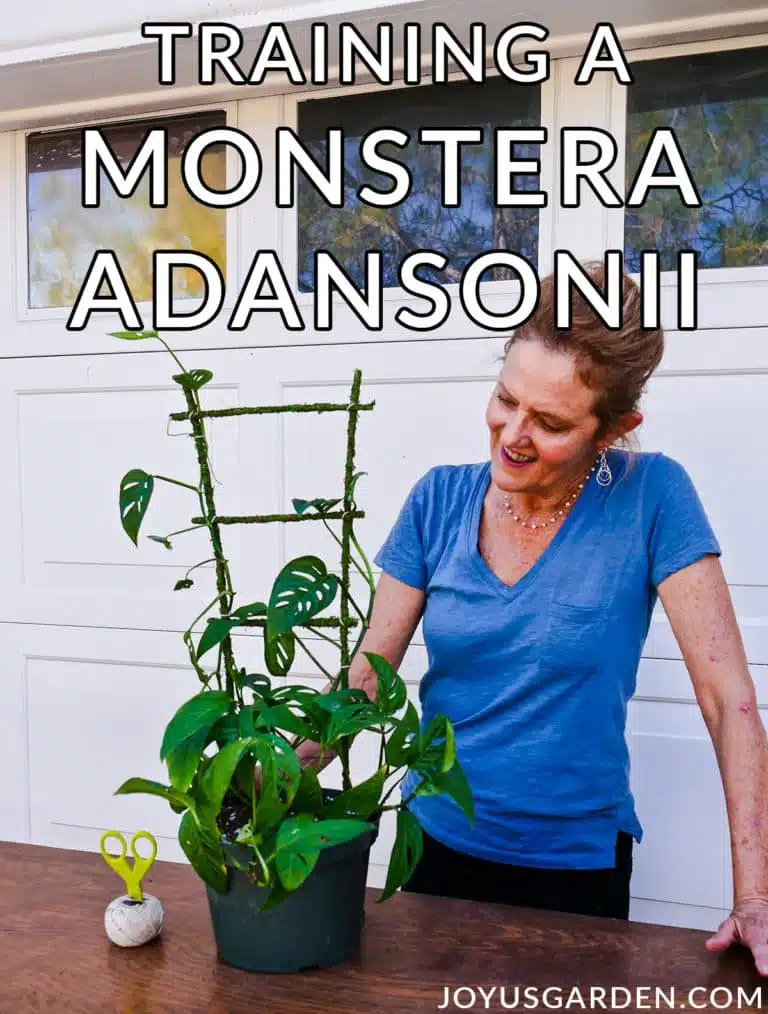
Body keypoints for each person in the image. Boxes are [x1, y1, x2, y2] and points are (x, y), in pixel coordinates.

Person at [299, 263, 768, 974]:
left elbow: (727, 701)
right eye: (505, 399)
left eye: (549, 422)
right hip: (433, 852)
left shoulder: (653, 497)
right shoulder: (437, 502)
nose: (513, 434)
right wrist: (275, 781)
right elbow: (367, 678)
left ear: (613, 430)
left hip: (576, 871)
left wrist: (755, 895)